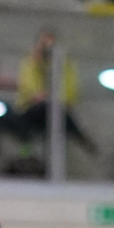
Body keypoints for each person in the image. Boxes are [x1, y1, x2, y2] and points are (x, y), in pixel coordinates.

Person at [9, 28, 98, 160]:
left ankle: (54, 152)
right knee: (46, 108)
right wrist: (38, 65)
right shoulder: (29, 62)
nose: (47, 49)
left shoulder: (66, 65)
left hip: (56, 109)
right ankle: (79, 135)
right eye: (44, 45)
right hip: (31, 110)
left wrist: (53, 96)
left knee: (54, 110)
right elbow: (28, 88)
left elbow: (71, 91)